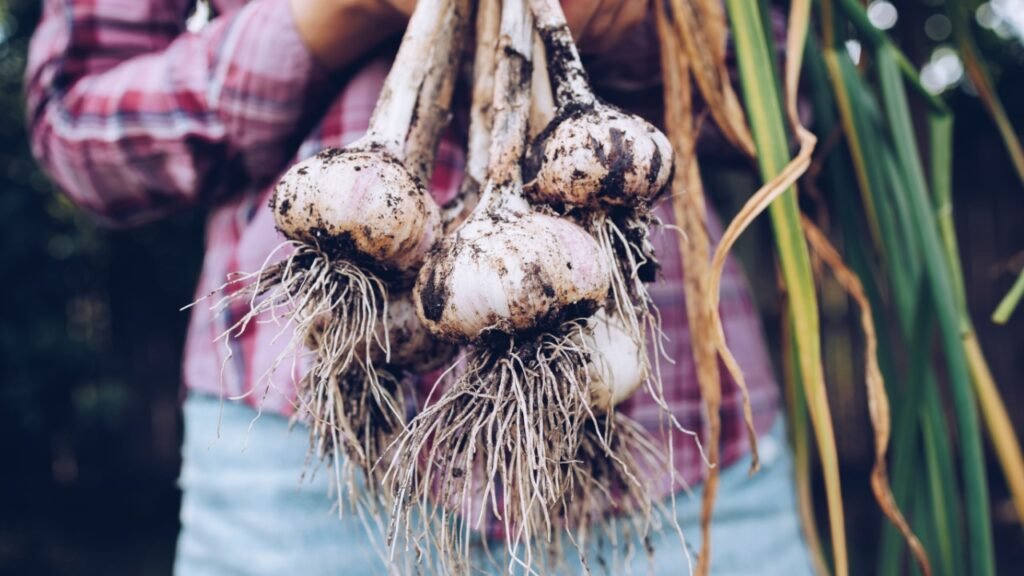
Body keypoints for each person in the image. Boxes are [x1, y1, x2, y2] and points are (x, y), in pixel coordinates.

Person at [26, 0, 812, 573]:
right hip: (301, 448)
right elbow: (79, 132)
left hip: (678, 454)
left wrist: (635, 23)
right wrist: (335, 12)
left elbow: (799, 101)